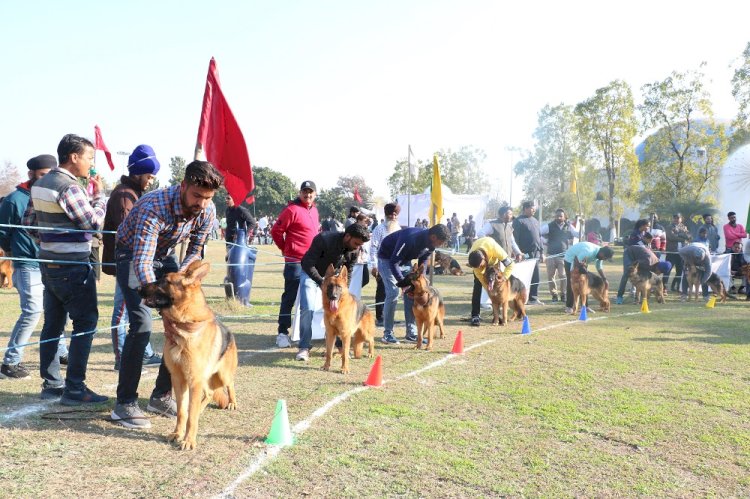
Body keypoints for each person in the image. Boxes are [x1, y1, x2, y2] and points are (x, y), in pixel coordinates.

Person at [110, 160, 221, 429]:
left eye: (207, 198)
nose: (202, 204)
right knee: (142, 323)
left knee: (180, 324)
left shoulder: (208, 210)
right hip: (132, 255)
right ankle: (124, 404)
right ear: (183, 186)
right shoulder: (153, 206)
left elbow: (195, 250)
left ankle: (161, 396)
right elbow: (143, 261)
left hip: (167, 256)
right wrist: (161, 304)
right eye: (197, 196)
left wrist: (181, 282)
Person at [23, 134, 107, 404]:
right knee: (85, 322)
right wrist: (100, 197)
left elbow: (28, 223)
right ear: (74, 157)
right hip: (72, 266)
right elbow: (93, 224)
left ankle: (51, 384)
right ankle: (74, 388)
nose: (91, 164)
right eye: (89, 158)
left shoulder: (40, 184)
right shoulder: (69, 187)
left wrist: (50, 240)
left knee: (54, 324)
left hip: (48, 264)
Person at [0, 155, 68, 380]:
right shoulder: (14, 199)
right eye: (42, 175)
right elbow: (3, 233)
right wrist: (17, 252)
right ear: (31, 174)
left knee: (57, 309)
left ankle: (60, 351)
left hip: (52, 261)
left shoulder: (55, 194)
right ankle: (10, 362)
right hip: (28, 264)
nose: (47, 179)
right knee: (32, 311)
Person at [102, 144, 161, 371]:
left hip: (136, 261)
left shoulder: (133, 193)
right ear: (138, 173)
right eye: (149, 176)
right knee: (123, 310)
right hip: (127, 263)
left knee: (137, 308)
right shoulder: (124, 196)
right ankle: (120, 357)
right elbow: (130, 231)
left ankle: (144, 352)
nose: (151, 181)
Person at [295, 223, 370, 361]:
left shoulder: (354, 250)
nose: (357, 247)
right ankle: (304, 347)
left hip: (335, 281)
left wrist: (343, 290)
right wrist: (321, 282)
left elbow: (348, 272)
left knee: (341, 310)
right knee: (308, 308)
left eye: (360, 245)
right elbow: (307, 263)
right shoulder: (324, 239)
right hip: (313, 275)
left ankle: (340, 344)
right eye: (356, 243)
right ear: (347, 236)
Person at [377, 224, 450, 344]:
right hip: (387, 259)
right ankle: (388, 333)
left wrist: (422, 277)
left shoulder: (431, 244)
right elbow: (394, 262)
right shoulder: (410, 238)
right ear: (433, 237)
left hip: (405, 261)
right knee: (393, 293)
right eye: (441, 242)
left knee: (413, 292)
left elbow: (424, 260)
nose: (441, 245)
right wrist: (403, 283)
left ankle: (411, 333)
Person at [271, 181, 320, 349]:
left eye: (310, 192)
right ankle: (282, 332)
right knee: (289, 297)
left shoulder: (314, 210)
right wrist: (285, 248)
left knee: (309, 300)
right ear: (300, 193)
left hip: (312, 262)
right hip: (295, 262)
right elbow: (276, 231)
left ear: (315, 194)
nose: (307, 195)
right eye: (304, 192)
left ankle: (304, 334)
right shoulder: (291, 210)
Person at [467, 237, 514, 326]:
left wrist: (504, 277)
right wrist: (490, 289)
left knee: (498, 286)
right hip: (480, 256)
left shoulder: (495, 248)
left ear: (483, 258)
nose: (480, 268)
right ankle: (475, 315)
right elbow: (482, 280)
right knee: (477, 286)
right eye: (477, 267)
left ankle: (497, 315)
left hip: (494, 262)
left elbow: (511, 265)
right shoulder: (476, 265)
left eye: (481, 265)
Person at [369, 203, 401, 327]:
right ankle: (380, 317)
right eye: (391, 214)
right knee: (382, 290)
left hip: (395, 264)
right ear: (386, 215)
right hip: (382, 263)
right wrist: (374, 265)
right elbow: (373, 247)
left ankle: (389, 317)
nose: (393, 216)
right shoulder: (379, 228)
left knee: (393, 291)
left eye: (395, 214)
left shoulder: (397, 228)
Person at [562, 242, 614, 314]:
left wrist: (604, 279)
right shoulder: (588, 252)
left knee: (584, 285)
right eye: (605, 258)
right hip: (570, 260)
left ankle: (585, 307)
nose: (604, 260)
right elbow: (575, 264)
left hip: (582, 263)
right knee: (572, 283)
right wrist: (572, 276)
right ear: (602, 254)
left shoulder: (599, 254)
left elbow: (599, 267)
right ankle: (569, 307)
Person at [540, 208, 575, 303]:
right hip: (551, 255)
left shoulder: (569, 226)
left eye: (561, 216)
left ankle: (563, 294)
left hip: (563, 255)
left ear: (564, 217)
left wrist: (582, 225)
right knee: (550, 276)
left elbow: (577, 234)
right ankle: (554, 295)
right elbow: (539, 233)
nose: (559, 217)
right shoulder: (549, 226)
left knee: (563, 275)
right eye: (557, 216)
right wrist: (545, 241)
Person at [513, 201, 544, 305]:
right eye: (532, 208)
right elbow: (515, 239)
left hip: (536, 253)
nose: (534, 210)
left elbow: (539, 238)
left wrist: (542, 252)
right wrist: (518, 253)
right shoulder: (518, 221)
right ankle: (520, 298)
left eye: (534, 208)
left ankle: (533, 298)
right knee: (523, 277)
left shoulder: (535, 220)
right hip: (524, 253)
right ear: (525, 208)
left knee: (536, 277)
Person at [616, 218, 650, 304]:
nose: (648, 228)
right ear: (642, 226)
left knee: (639, 274)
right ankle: (619, 296)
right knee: (626, 274)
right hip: (629, 254)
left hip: (637, 255)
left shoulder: (644, 233)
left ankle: (637, 296)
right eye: (647, 226)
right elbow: (641, 245)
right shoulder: (634, 233)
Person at [664, 213, 691, 292]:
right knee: (667, 270)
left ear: (681, 219)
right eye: (675, 218)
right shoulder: (669, 227)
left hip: (681, 253)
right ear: (673, 219)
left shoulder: (684, 227)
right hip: (672, 252)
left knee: (680, 271)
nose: (676, 219)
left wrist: (679, 234)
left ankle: (676, 286)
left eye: (678, 218)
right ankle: (664, 288)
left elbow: (689, 236)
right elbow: (671, 237)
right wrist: (683, 238)